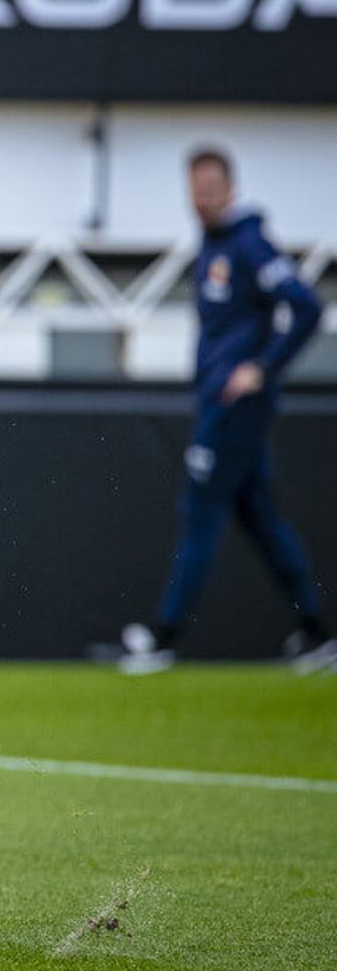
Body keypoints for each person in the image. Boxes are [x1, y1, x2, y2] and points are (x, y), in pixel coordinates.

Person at [121, 146, 333, 675]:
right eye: (196, 189)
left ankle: (163, 635)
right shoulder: (211, 246)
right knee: (259, 517)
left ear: (230, 190)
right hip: (220, 401)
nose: (203, 198)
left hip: (235, 408)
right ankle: (315, 629)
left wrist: (263, 366)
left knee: (199, 512)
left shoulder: (249, 243)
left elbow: (307, 305)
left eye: (212, 188)